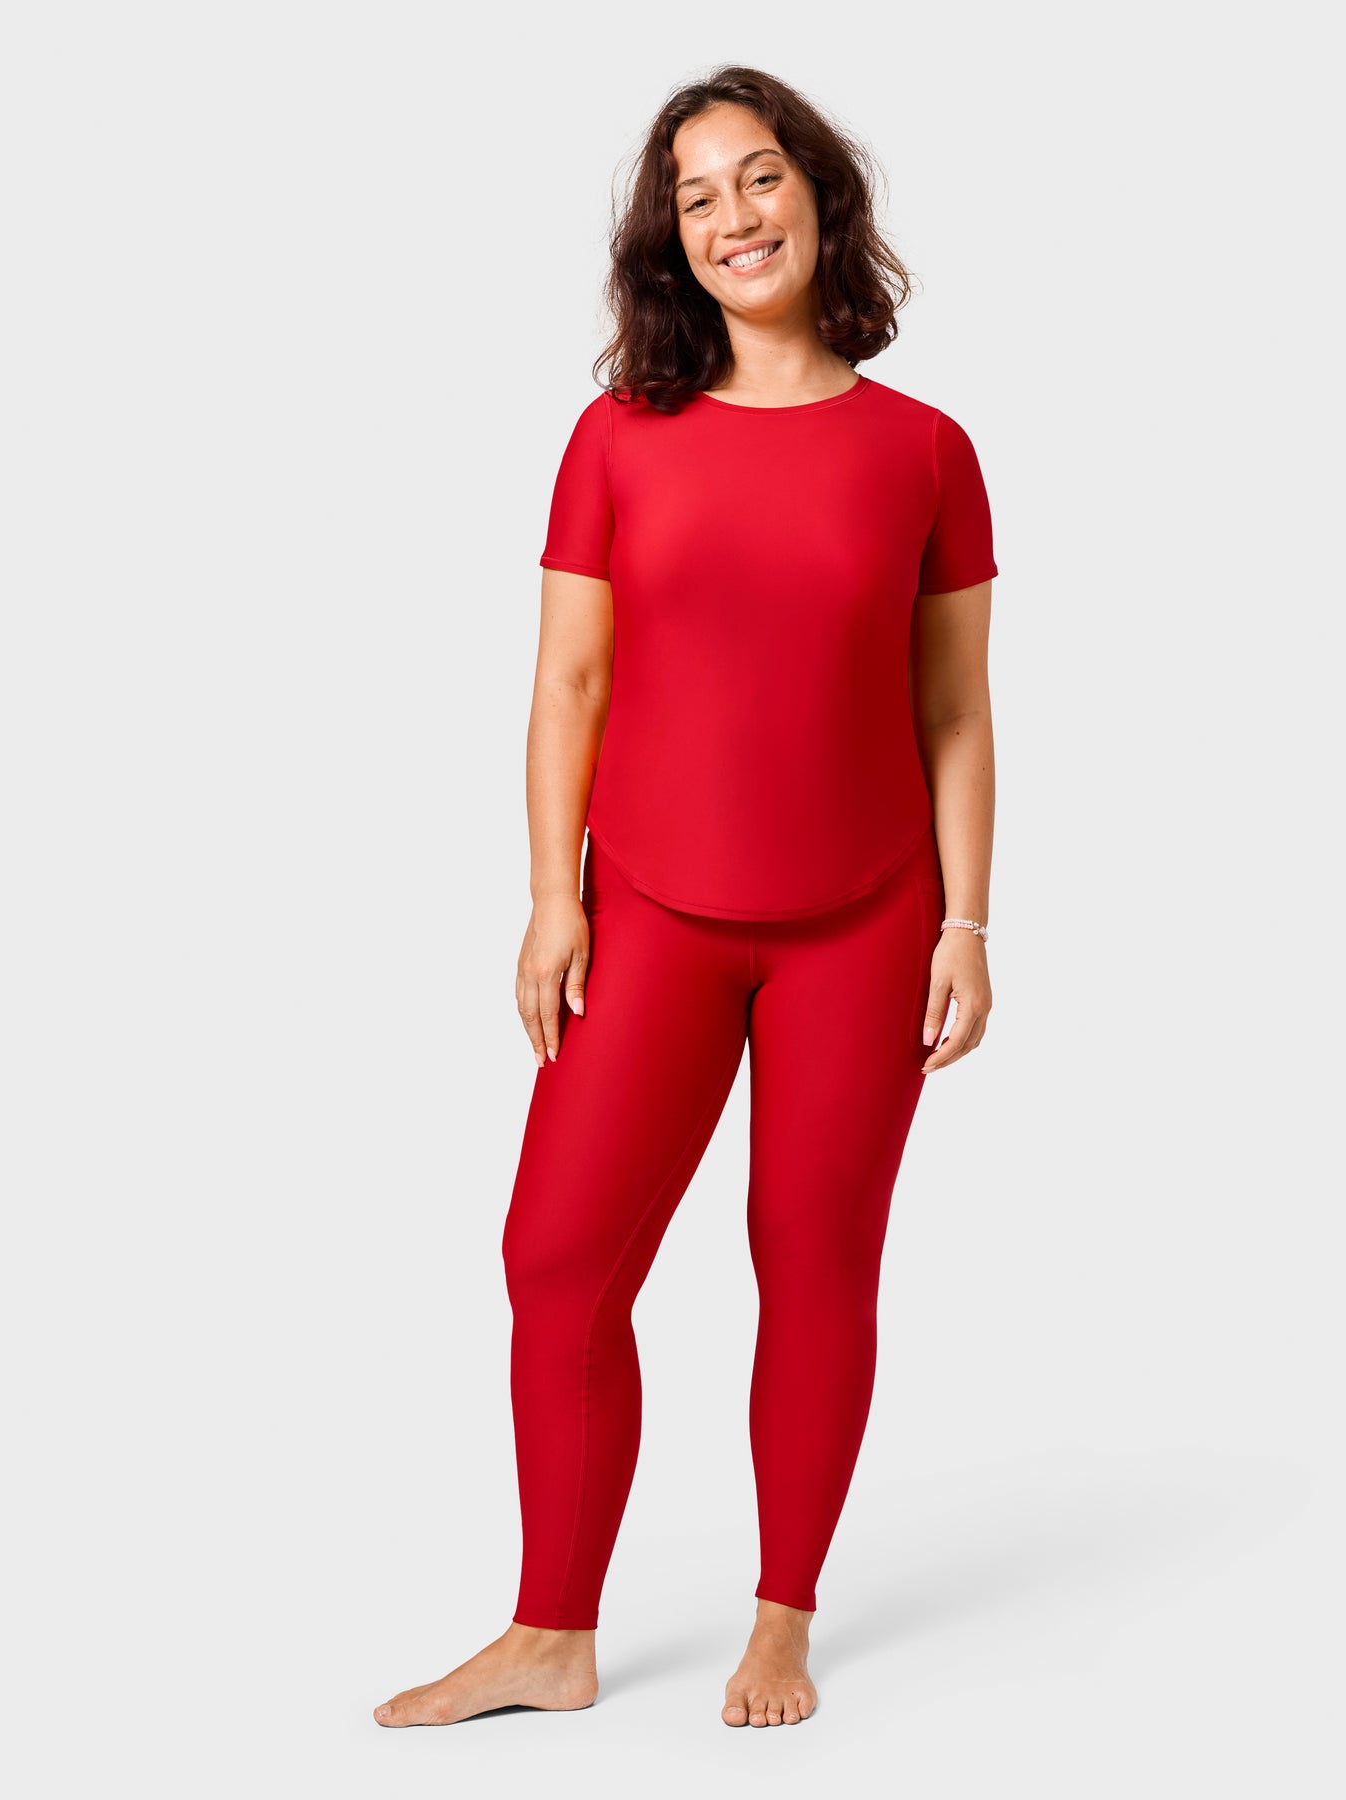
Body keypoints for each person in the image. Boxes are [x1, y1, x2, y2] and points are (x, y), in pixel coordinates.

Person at [374, 63, 998, 1732]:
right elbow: (567, 686)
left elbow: (953, 709)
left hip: (866, 919)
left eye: (760, 176)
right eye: (698, 196)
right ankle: (551, 1634)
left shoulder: (926, 452)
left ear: (819, 193)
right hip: (650, 909)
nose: (736, 215)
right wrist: (550, 899)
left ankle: (782, 1617)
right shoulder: (616, 440)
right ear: (672, 239)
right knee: (558, 1258)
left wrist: (967, 924)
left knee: (815, 1264)